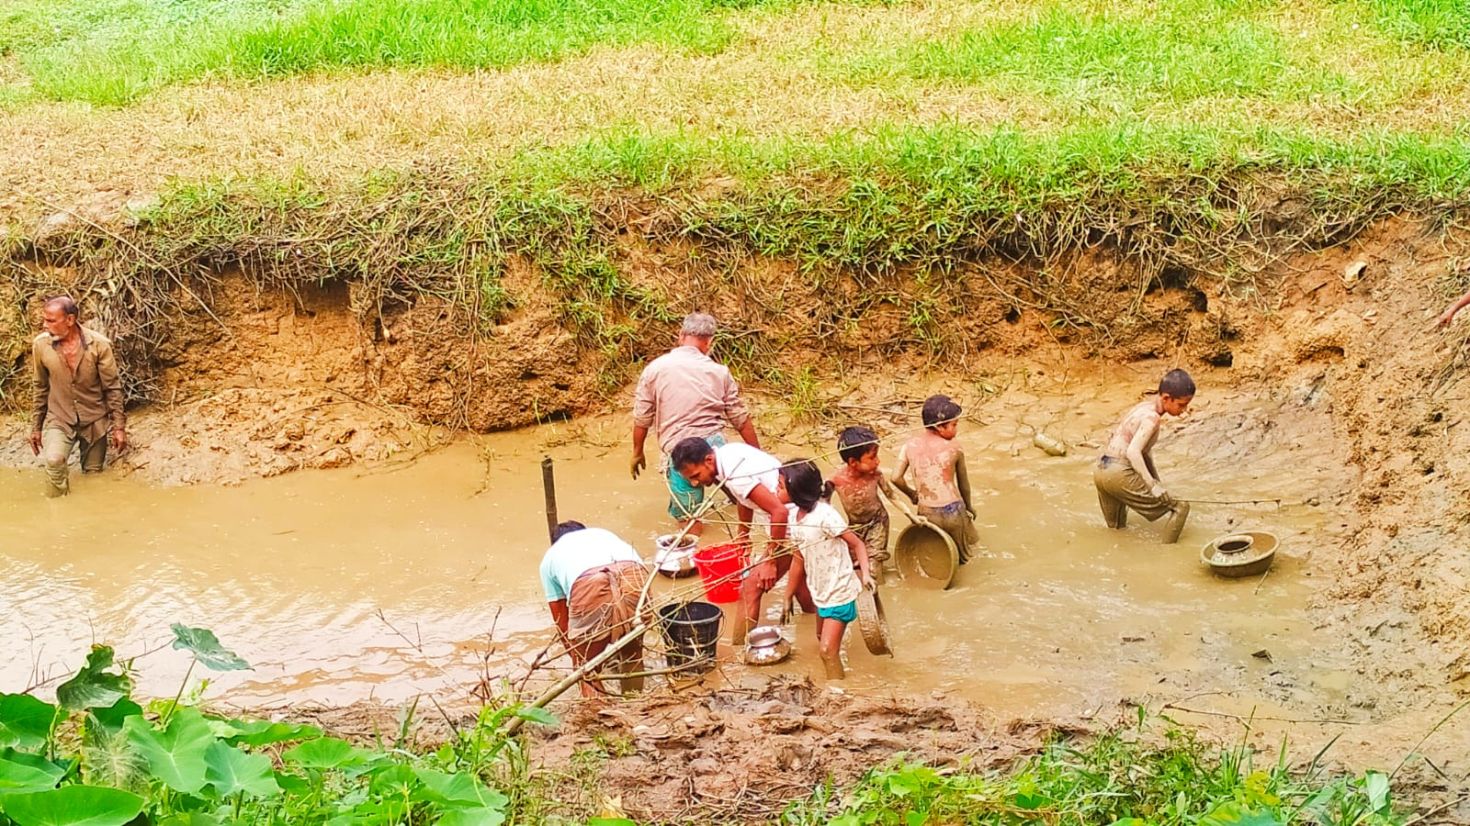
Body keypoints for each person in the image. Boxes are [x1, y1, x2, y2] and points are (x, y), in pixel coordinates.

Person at [670, 437, 814, 643]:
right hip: (800, 522)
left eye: (695, 475)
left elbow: (779, 512)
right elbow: (744, 498)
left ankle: (739, 653)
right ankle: (813, 634)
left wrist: (769, 561)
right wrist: (743, 535)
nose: (695, 483)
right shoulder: (728, 455)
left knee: (750, 588)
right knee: (801, 587)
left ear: (709, 460)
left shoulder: (735, 473)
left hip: (796, 528)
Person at [630, 312, 759, 535]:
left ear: (681, 336)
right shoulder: (720, 372)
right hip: (714, 449)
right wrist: (756, 455)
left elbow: (642, 416)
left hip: (680, 453)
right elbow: (740, 418)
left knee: (689, 520)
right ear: (710, 342)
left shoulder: (655, 369)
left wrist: (637, 451)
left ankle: (692, 552)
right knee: (740, 492)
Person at [780, 461, 872, 680]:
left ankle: (838, 693)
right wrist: (787, 596)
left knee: (826, 651)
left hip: (839, 592)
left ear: (796, 490)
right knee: (821, 637)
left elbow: (857, 544)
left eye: (780, 486)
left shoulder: (825, 516)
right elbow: (798, 559)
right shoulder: (795, 518)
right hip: (820, 591)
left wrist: (866, 574)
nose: (775, 490)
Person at [538, 521, 651, 697]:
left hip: (590, 581)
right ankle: (634, 703)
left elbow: (561, 619)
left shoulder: (550, 557)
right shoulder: (602, 533)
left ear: (555, 541)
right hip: (633, 574)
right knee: (632, 654)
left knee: (586, 669)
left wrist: (578, 655)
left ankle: (602, 720)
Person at [29, 296, 127, 497]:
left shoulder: (100, 345)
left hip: (94, 420)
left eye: (51, 320)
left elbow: (112, 388)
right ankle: (57, 513)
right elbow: (40, 387)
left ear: (70, 320)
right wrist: (36, 427)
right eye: (44, 319)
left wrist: (119, 427)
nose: (45, 325)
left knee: (93, 475)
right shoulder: (41, 345)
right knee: (54, 460)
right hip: (60, 417)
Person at [1093, 369, 1195, 544]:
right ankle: (1166, 556)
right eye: (1181, 404)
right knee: (1180, 507)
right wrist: (1152, 486)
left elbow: (1144, 453)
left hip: (1101, 470)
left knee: (1116, 529)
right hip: (1119, 472)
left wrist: (1157, 481)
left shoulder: (1142, 407)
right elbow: (1133, 452)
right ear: (1166, 398)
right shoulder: (1152, 418)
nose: (1184, 410)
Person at [892, 395, 979, 564]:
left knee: (938, 556)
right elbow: (964, 484)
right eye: (954, 425)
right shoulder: (955, 448)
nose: (956, 429)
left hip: (927, 513)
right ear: (940, 427)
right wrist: (969, 507)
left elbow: (895, 478)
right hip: (954, 511)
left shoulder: (909, 446)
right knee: (966, 556)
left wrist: (911, 494)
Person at [826, 426, 898, 579]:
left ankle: (878, 593)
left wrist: (912, 516)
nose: (878, 461)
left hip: (878, 522)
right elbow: (823, 507)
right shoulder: (835, 480)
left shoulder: (875, 475)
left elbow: (892, 497)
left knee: (873, 567)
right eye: (872, 457)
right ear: (853, 462)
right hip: (855, 527)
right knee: (853, 566)